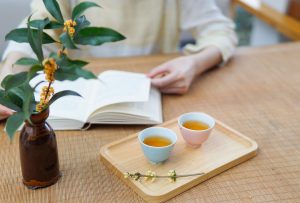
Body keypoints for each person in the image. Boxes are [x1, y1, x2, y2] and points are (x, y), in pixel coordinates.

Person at [0, 0, 237, 120]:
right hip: (80, 103)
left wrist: (193, 64)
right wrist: (6, 80)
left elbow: (220, 32)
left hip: (157, 98)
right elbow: (33, 31)